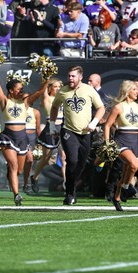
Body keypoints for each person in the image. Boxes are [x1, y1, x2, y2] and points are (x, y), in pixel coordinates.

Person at [0, 65, 48, 205]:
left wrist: (47, 76)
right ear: (11, 90)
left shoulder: (26, 102)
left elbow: (41, 91)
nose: (22, 90)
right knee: (13, 165)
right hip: (8, 137)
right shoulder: (5, 101)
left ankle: (12, 177)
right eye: (19, 89)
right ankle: (17, 195)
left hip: (22, 138)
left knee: (20, 170)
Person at [49, 65, 105, 205]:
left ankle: (71, 186)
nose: (70, 78)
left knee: (82, 162)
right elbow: (54, 107)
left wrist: (94, 122)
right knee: (72, 160)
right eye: (69, 76)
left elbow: (101, 108)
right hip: (68, 130)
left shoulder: (88, 89)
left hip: (86, 132)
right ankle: (69, 192)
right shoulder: (62, 91)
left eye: (73, 76)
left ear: (80, 77)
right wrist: (52, 125)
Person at [104, 80, 138, 211]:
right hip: (121, 140)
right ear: (127, 92)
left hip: (135, 141)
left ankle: (118, 196)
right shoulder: (118, 107)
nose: (137, 91)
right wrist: (108, 143)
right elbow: (108, 125)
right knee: (134, 164)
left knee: (128, 170)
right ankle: (126, 187)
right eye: (134, 89)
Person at [30, 77, 65, 193]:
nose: (58, 89)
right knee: (46, 158)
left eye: (59, 87)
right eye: (55, 87)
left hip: (63, 127)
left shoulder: (63, 98)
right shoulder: (47, 99)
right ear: (50, 88)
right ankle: (34, 177)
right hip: (51, 127)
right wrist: (45, 76)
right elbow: (42, 91)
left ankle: (66, 184)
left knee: (64, 158)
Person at [22, 102, 41, 194]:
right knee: (27, 160)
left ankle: (31, 181)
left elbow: (38, 128)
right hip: (21, 137)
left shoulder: (35, 112)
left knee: (31, 161)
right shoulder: (19, 111)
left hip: (32, 137)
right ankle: (26, 183)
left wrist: (40, 142)